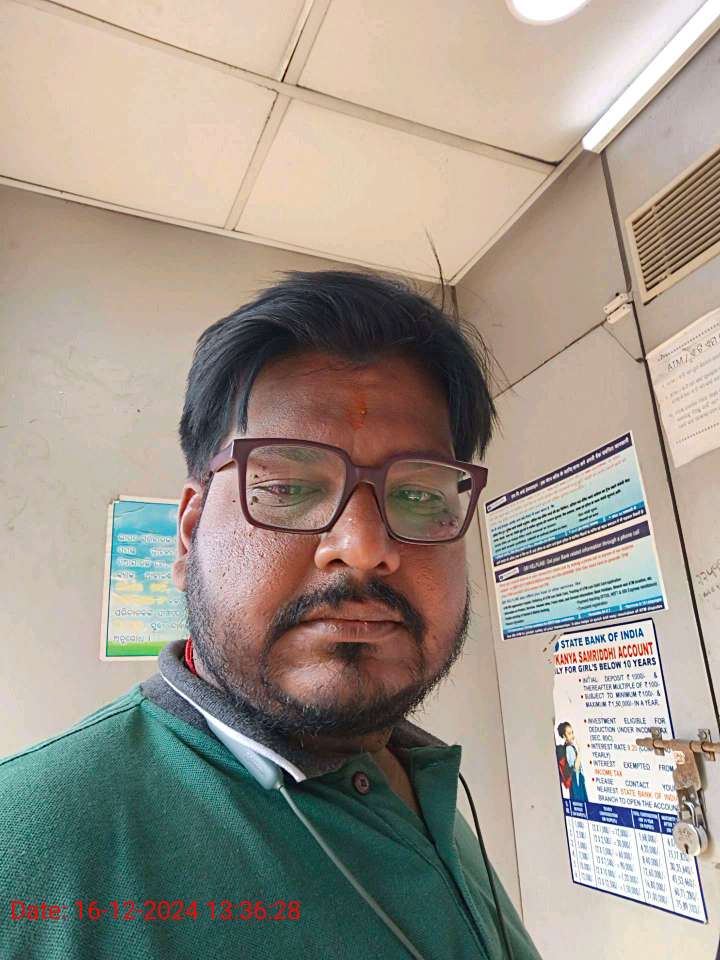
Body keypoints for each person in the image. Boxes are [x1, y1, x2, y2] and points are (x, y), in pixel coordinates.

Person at [0, 271, 543, 959]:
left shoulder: (417, 774)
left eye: (421, 496)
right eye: (287, 486)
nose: (364, 547)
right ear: (189, 534)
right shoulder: (21, 858)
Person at [556, 722, 588, 803]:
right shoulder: (569, 748)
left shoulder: (570, 747)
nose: (572, 735)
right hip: (576, 780)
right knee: (580, 802)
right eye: (569, 733)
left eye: (572, 732)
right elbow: (576, 767)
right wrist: (580, 749)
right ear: (564, 736)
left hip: (575, 780)